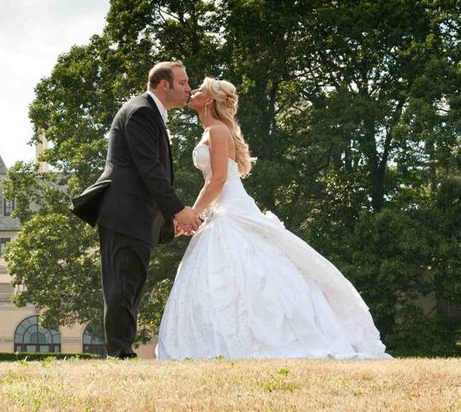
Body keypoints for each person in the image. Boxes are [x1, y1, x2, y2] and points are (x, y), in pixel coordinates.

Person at [155, 77, 389, 359]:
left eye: (200, 89)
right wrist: (198, 215)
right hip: (221, 207)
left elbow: (217, 180)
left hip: (232, 207)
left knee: (250, 271)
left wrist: (190, 215)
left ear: (210, 100)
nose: (193, 91)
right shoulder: (211, 131)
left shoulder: (217, 130)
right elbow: (214, 182)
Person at [71, 61, 201, 358]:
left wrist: (168, 219)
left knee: (129, 285)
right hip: (125, 214)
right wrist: (178, 210)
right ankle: (119, 354)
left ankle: (122, 350)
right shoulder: (142, 111)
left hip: (135, 216)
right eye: (182, 83)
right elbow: (149, 170)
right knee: (122, 285)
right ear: (163, 84)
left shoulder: (150, 112)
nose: (187, 89)